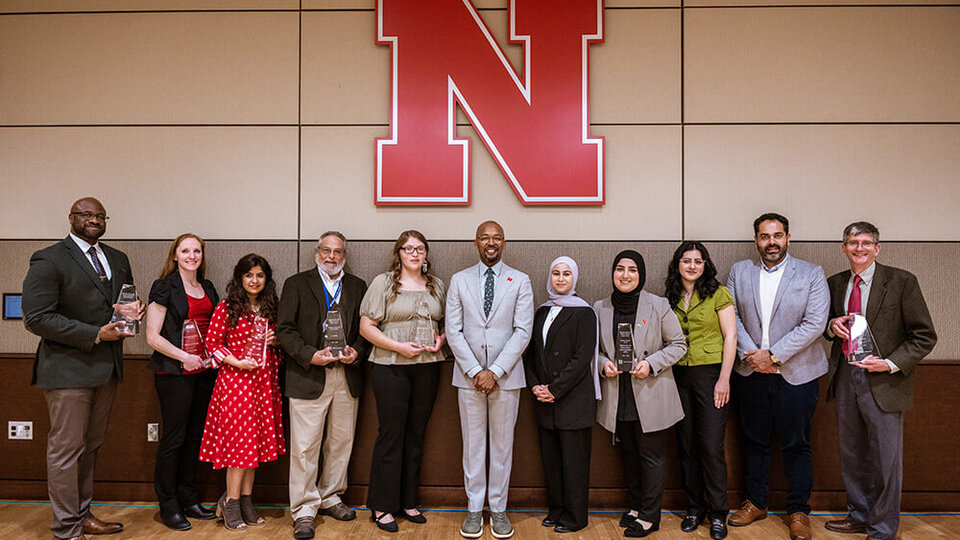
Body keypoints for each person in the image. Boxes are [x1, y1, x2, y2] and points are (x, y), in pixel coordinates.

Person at [22, 196, 143, 540]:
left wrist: (130, 317)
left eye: (100, 216)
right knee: (66, 450)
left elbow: (119, 305)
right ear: (71, 217)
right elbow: (37, 318)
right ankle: (66, 528)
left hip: (107, 368)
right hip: (67, 370)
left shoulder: (118, 258)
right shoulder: (49, 258)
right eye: (86, 215)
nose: (94, 220)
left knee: (90, 446)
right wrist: (95, 334)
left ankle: (82, 514)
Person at [823, 222, 936, 540]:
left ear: (877, 247)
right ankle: (859, 515)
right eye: (853, 243)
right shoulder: (835, 283)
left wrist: (888, 364)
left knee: (885, 458)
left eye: (866, 242)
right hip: (846, 375)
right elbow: (824, 328)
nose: (859, 248)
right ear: (843, 248)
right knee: (852, 452)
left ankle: (883, 527)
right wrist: (832, 326)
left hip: (885, 381)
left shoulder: (902, 282)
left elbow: (924, 336)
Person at [726, 213, 829, 540]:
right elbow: (732, 319)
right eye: (764, 236)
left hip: (797, 374)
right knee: (753, 441)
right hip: (750, 370)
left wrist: (773, 356)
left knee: (797, 444)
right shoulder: (739, 272)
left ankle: (798, 510)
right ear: (756, 239)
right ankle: (756, 502)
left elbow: (814, 324)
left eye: (777, 235)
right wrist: (754, 356)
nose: (771, 242)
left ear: (788, 238)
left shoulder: (812, 274)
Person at [277, 232, 370, 540]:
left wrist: (356, 350)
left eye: (338, 252)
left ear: (344, 256)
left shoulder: (357, 286)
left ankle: (330, 496)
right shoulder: (296, 284)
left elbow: (365, 328)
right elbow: (285, 330)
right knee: (305, 447)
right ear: (317, 253)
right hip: (308, 375)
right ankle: (304, 508)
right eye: (327, 250)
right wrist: (309, 355)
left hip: (346, 375)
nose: (332, 256)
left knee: (340, 442)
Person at [446, 221, 534, 539]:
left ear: (504, 243)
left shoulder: (520, 281)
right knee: (472, 446)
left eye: (496, 238)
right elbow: (453, 331)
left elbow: (523, 330)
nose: (491, 242)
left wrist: (494, 371)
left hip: (507, 379)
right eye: (485, 237)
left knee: (501, 447)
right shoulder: (459, 281)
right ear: (476, 243)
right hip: (468, 379)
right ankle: (473, 509)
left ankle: (497, 510)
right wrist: (475, 371)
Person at [359, 230, 447, 533]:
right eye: (408, 248)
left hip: (428, 366)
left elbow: (448, 323)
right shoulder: (383, 283)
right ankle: (382, 506)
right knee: (391, 435)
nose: (414, 253)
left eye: (420, 248)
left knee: (416, 435)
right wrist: (398, 347)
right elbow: (366, 327)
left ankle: (408, 501)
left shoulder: (437, 285)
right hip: (390, 365)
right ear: (399, 252)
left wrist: (442, 340)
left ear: (426, 253)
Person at [594, 250, 686, 537]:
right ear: (612, 273)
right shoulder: (600, 307)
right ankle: (635, 506)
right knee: (629, 453)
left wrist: (651, 363)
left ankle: (649, 515)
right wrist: (602, 364)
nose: (625, 275)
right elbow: (592, 351)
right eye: (620, 269)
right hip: (617, 394)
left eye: (632, 270)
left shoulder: (658, 305)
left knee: (650, 455)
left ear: (641, 274)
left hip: (649, 392)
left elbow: (679, 344)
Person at [199, 254, 285, 530]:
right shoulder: (227, 308)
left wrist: (276, 341)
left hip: (264, 384)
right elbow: (212, 345)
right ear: (240, 278)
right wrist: (236, 360)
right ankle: (230, 503)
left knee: (254, 447)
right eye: (249, 275)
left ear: (266, 280)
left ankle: (247, 501)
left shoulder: (272, 309)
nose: (254, 280)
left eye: (259, 275)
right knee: (239, 449)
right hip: (236, 384)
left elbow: (282, 354)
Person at [144, 233, 220, 531]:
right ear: (175, 255)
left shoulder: (208, 287)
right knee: (174, 440)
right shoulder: (164, 287)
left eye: (197, 250)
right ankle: (169, 504)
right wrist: (183, 357)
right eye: (185, 250)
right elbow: (152, 336)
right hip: (175, 374)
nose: (192, 256)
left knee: (195, 438)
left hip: (204, 372)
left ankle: (189, 498)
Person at [664, 242, 736, 540]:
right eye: (687, 260)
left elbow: (731, 335)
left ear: (706, 265)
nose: (692, 266)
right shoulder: (669, 295)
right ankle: (695, 507)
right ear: (677, 264)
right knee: (687, 445)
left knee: (711, 446)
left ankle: (719, 512)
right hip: (678, 375)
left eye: (698, 261)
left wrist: (724, 379)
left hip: (711, 375)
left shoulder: (719, 293)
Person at [523, 256, 598, 534]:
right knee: (552, 462)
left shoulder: (585, 312)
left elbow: (582, 359)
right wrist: (534, 386)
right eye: (556, 273)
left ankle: (576, 516)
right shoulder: (541, 311)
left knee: (574, 463)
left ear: (574, 278)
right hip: (543, 401)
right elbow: (530, 354)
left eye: (567, 274)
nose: (561, 278)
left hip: (572, 400)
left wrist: (554, 389)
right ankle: (556, 510)